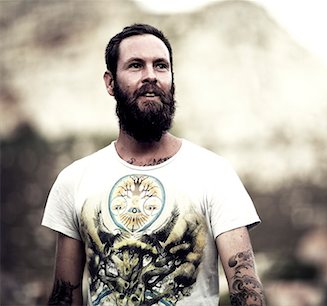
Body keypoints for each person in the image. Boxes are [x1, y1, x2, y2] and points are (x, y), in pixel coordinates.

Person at [41, 23, 265, 306]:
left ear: (172, 78)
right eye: (136, 65)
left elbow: (245, 289)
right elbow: (65, 295)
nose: (150, 76)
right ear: (110, 83)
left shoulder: (214, 173)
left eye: (160, 66)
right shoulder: (75, 179)